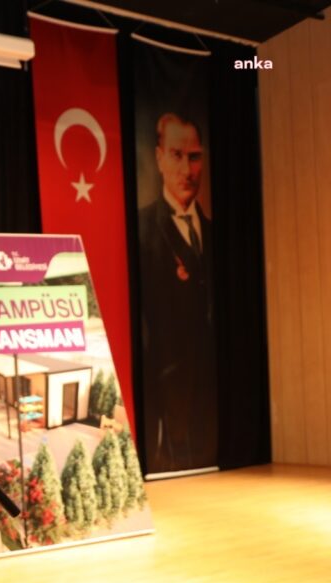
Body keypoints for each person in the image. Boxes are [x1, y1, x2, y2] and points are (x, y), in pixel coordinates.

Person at [137, 113, 218, 473]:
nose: (187, 168)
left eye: (195, 156)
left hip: (212, 388)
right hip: (168, 387)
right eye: (176, 155)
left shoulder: (216, 233)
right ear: (158, 158)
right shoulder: (141, 230)